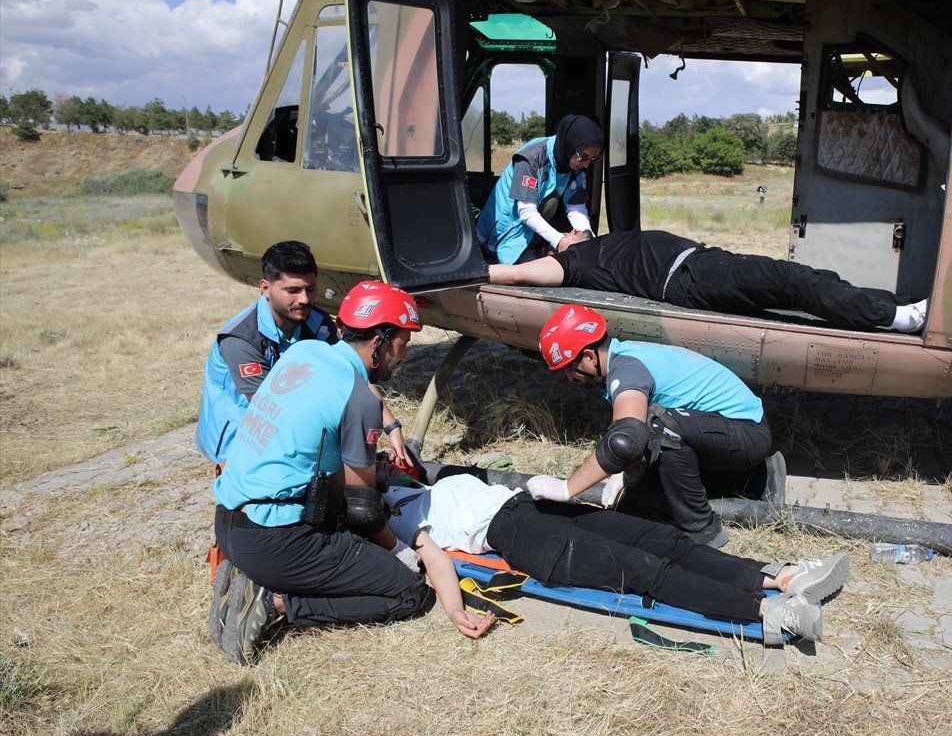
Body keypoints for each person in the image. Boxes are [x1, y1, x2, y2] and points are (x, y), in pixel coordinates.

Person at [209, 281, 494, 665]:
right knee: (408, 592)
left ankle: (253, 576)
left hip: (229, 523)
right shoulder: (357, 398)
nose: (404, 356)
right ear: (379, 343)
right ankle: (273, 602)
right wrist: (398, 550)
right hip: (273, 540)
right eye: (402, 344)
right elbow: (362, 509)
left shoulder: (305, 353)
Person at [384, 472, 851, 646]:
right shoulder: (393, 515)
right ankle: (770, 613)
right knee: (646, 570)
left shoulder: (425, 485)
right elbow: (435, 560)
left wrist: (394, 432)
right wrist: (456, 611)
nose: (383, 459)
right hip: (516, 535)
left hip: (535, 507)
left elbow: (377, 411)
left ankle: (781, 577)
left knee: (665, 540)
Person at [529, 304, 774, 548]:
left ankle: (703, 529)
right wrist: (623, 471)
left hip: (746, 432)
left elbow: (627, 439)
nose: (569, 378)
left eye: (569, 368)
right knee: (649, 489)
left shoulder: (626, 371)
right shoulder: (623, 358)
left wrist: (567, 488)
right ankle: (756, 476)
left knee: (660, 426)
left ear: (590, 357)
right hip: (728, 430)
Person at [196, 240, 412, 471]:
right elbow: (268, 410)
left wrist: (391, 426)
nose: (305, 299)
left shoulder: (317, 322)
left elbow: (352, 371)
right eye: (293, 290)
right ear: (265, 288)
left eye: (310, 289)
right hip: (242, 437)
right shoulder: (241, 339)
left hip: (287, 424)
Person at [488, 229, 928, 333]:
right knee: (794, 281)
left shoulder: (597, 242)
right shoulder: (573, 263)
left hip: (702, 263)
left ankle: (894, 306)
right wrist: (463, 272)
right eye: (562, 235)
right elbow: (517, 273)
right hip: (690, 278)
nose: (569, 230)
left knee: (811, 281)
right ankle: (897, 317)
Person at [475, 114, 602, 264]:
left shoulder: (577, 162)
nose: (586, 164)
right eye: (583, 156)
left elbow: (576, 207)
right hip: (501, 236)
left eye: (593, 159)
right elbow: (526, 212)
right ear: (569, 143)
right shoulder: (532, 158)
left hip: (530, 231)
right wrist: (559, 240)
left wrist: (588, 241)